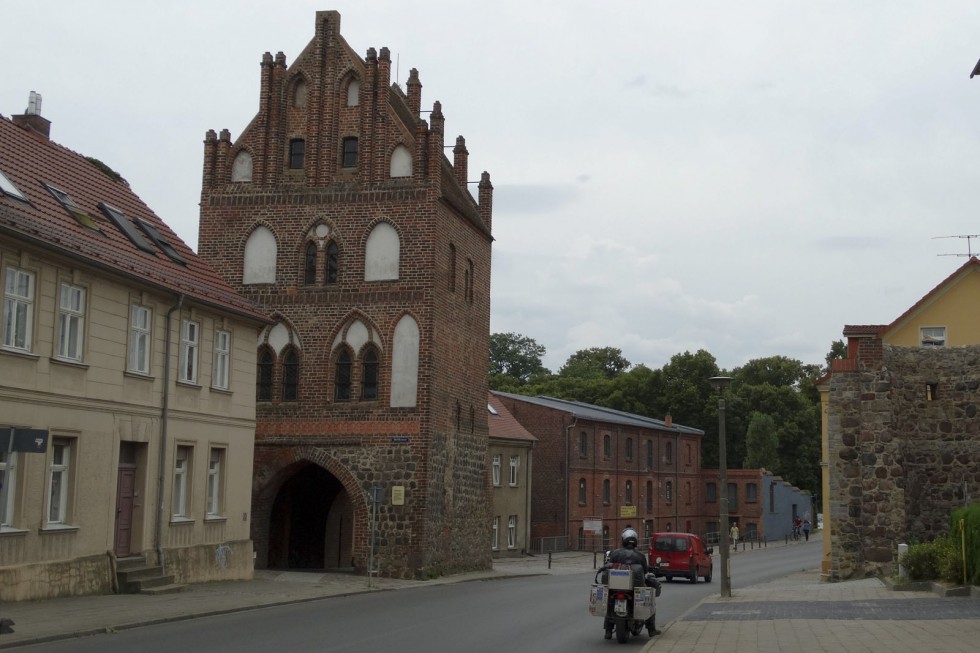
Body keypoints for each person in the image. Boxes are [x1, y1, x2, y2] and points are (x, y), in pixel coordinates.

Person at [604, 528, 662, 639]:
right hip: (635, 587)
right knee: (648, 600)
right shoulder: (640, 555)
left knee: (610, 602)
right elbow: (645, 570)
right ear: (635, 540)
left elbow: (609, 565)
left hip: (616, 586)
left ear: (623, 540)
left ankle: (608, 630)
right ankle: (651, 629)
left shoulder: (615, 553)